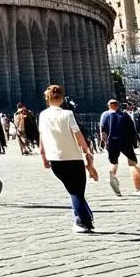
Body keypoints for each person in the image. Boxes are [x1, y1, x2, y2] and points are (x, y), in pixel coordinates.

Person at [38, 84, 96, 234]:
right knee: (77, 191)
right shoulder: (68, 114)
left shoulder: (43, 115)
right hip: (74, 157)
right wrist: (87, 151)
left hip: (55, 158)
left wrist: (43, 156)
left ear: (47, 99)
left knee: (74, 191)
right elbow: (78, 135)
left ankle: (87, 218)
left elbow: (42, 137)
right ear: (62, 99)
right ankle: (80, 220)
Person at [99, 99, 140, 197]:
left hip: (111, 142)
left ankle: (112, 176)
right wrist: (135, 143)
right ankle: (139, 189)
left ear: (108, 106)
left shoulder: (105, 115)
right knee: (133, 163)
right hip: (125, 141)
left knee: (113, 162)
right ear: (118, 106)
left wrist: (103, 141)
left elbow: (103, 129)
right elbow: (132, 130)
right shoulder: (125, 115)